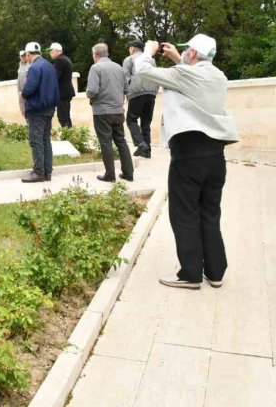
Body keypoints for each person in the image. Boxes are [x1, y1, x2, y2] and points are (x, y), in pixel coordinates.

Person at [134, 35, 239, 289]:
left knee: (184, 214)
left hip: (188, 156)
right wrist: (176, 57)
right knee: (209, 213)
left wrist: (147, 51)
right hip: (215, 156)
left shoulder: (184, 75)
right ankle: (215, 272)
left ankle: (191, 274)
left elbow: (144, 70)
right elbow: (192, 74)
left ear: (192, 53)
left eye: (187, 51)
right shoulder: (218, 76)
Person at [86, 43, 134, 182]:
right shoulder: (119, 67)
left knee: (106, 143)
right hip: (118, 111)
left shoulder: (96, 68)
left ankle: (110, 175)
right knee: (121, 141)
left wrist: (89, 96)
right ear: (106, 53)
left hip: (102, 112)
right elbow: (126, 89)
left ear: (95, 55)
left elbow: (92, 90)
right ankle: (128, 173)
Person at [20, 42, 59, 183]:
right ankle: (47, 172)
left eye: (27, 56)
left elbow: (30, 88)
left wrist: (23, 95)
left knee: (36, 141)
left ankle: (38, 173)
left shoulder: (35, 67)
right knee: (45, 141)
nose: (27, 58)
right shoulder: (49, 65)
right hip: (49, 109)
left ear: (29, 54)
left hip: (37, 109)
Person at [123, 39, 160, 158]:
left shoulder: (129, 60)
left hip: (136, 93)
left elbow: (125, 78)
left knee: (131, 120)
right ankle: (147, 151)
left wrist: (125, 94)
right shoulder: (151, 60)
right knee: (146, 123)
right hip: (152, 94)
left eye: (129, 48)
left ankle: (141, 144)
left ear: (132, 48)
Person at [49, 42, 76, 128]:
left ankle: (68, 136)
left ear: (57, 51)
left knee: (62, 117)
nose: (50, 53)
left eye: (51, 51)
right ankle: (70, 134)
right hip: (66, 92)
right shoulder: (65, 59)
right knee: (66, 116)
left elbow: (56, 77)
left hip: (62, 93)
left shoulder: (59, 60)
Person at [16, 50, 30, 118]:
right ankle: (27, 123)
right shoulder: (20, 64)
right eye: (22, 56)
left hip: (28, 91)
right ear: (19, 57)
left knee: (29, 108)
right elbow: (19, 78)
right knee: (23, 108)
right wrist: (19, 91)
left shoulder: (30, 64)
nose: (23, 57)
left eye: (24, 55)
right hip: (21, 91)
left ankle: (30, 123)